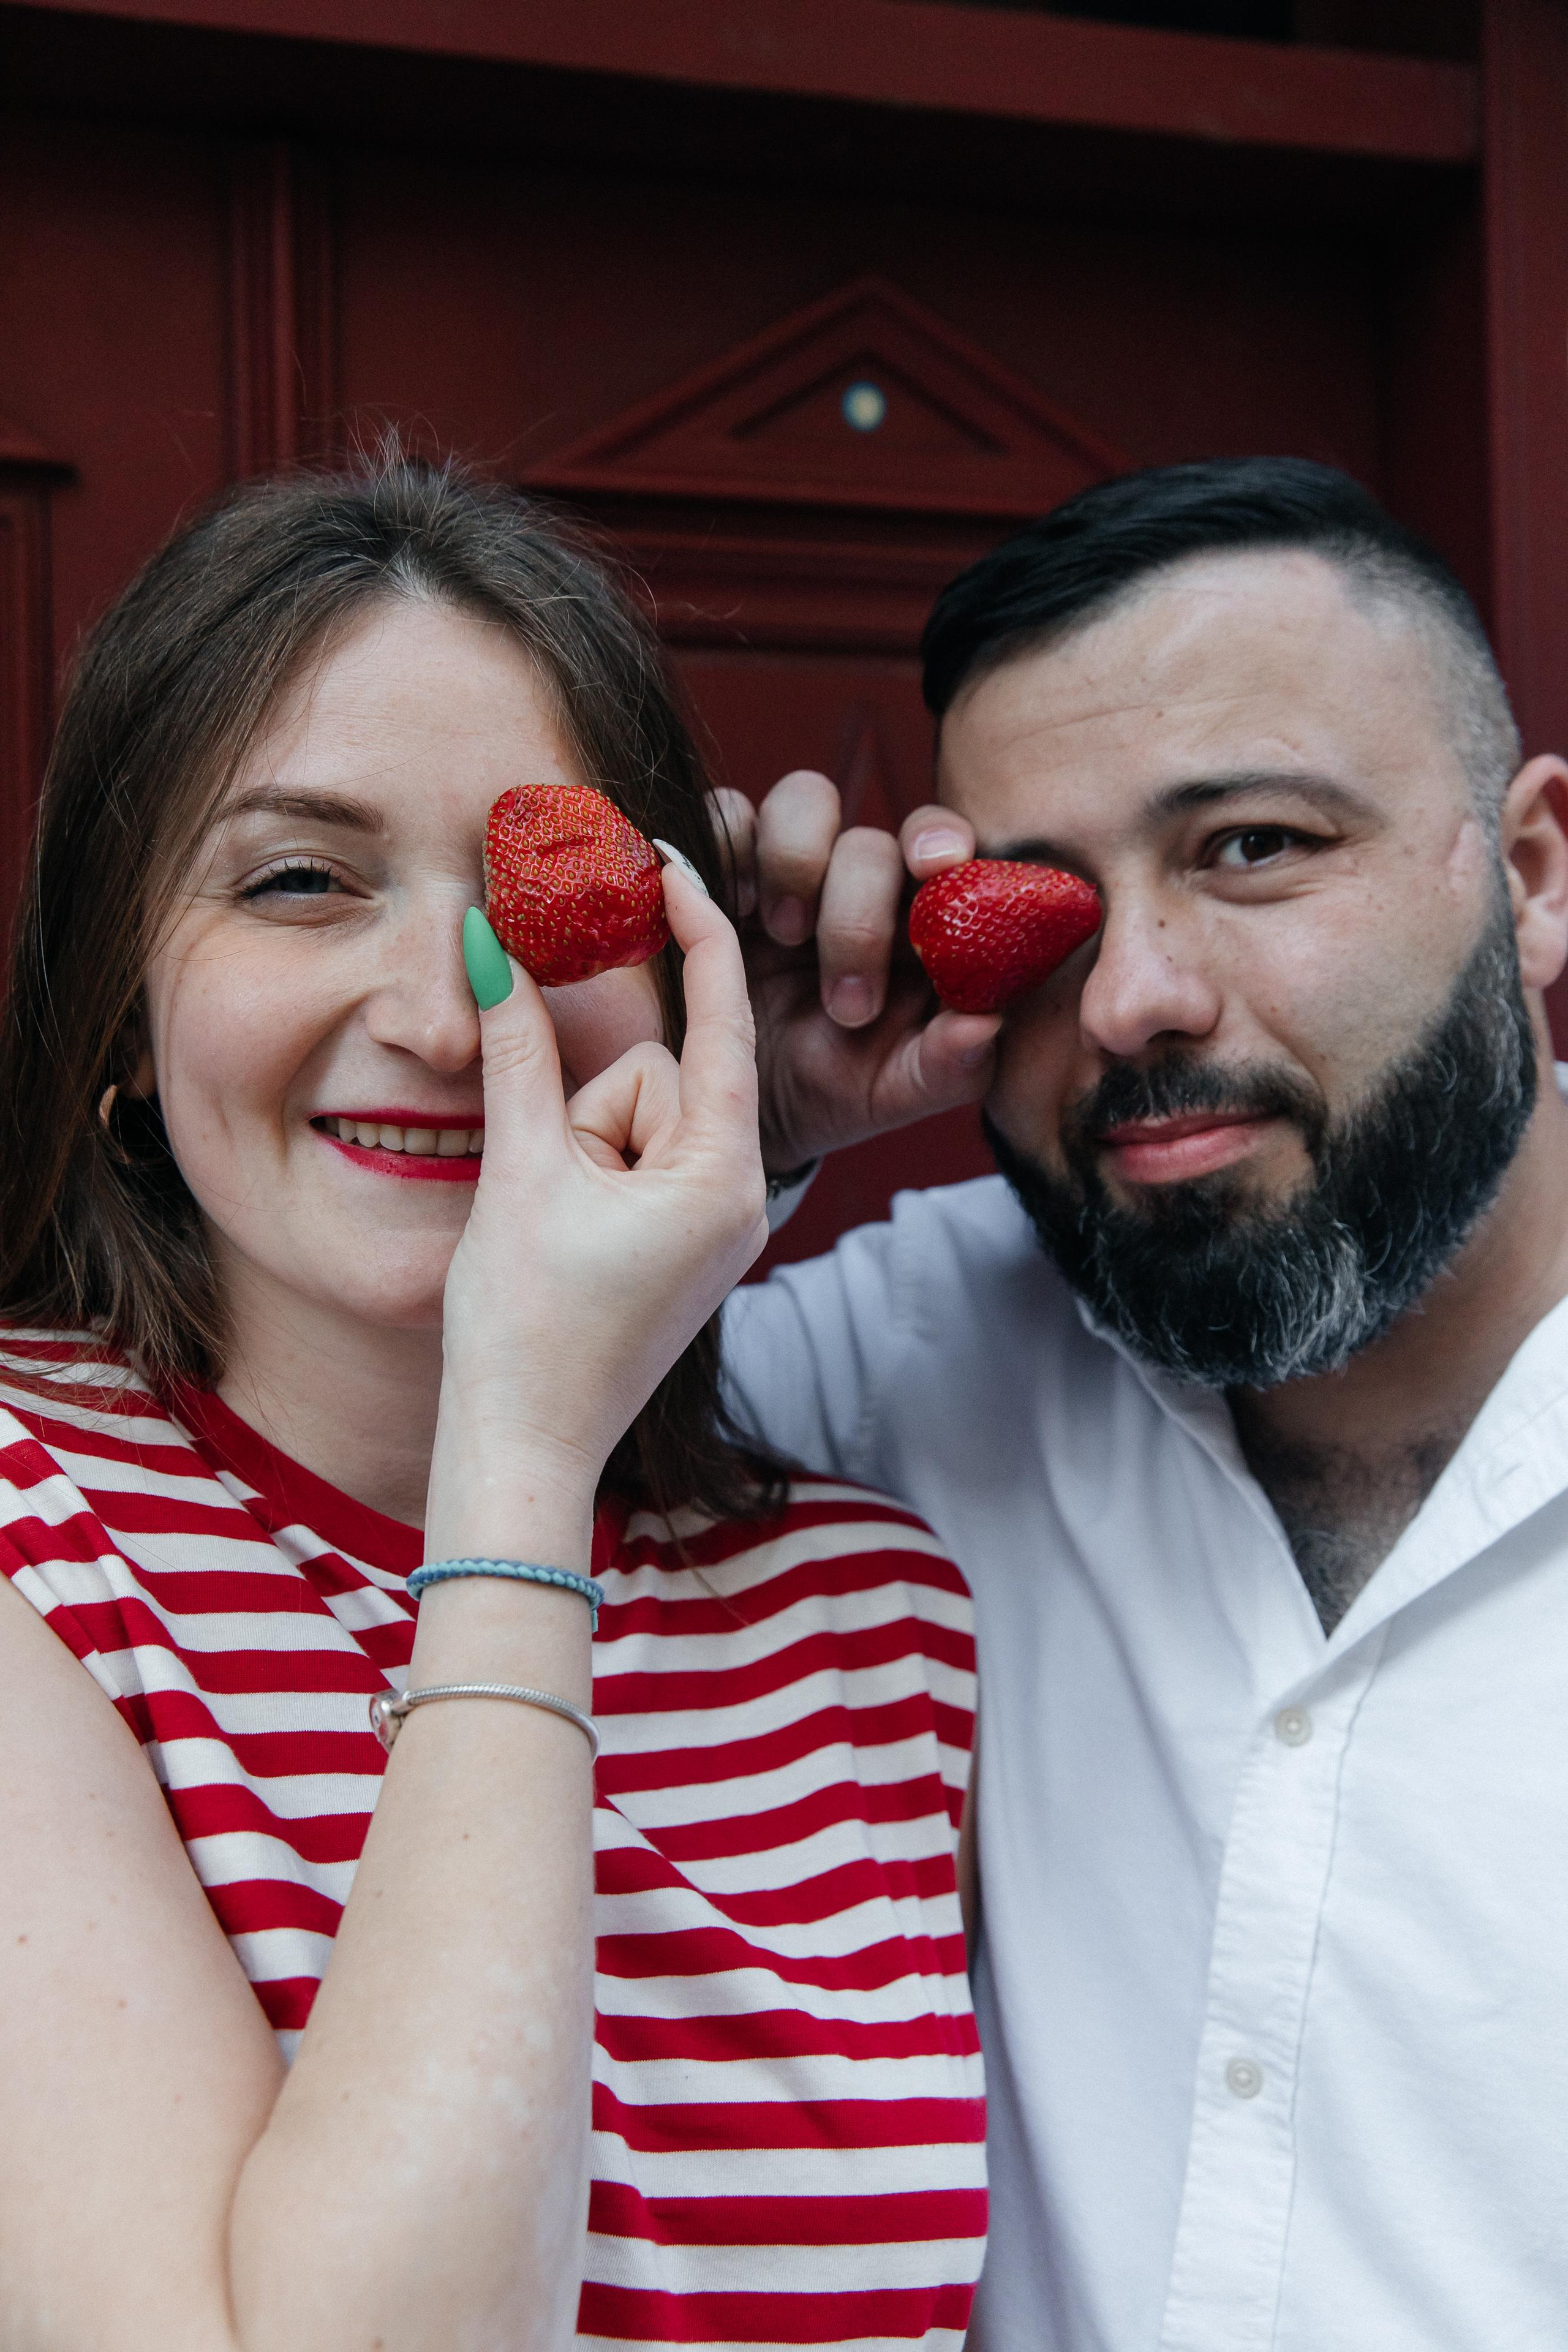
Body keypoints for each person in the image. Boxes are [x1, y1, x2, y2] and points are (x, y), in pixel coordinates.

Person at [0, 455, 984, 2351]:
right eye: (300, 881)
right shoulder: (37, 1543)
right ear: (124, 1017)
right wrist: (521, 1457)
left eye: (559, 895)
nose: (455, 1023)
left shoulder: (880, 1624)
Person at [721, 458, 1568, 2352]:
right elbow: (347, 1474)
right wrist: (726, 1124)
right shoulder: (889, 1364)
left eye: (1255, 847)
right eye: (1037, 906)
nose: (1134, 1001)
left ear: (1529, 878)